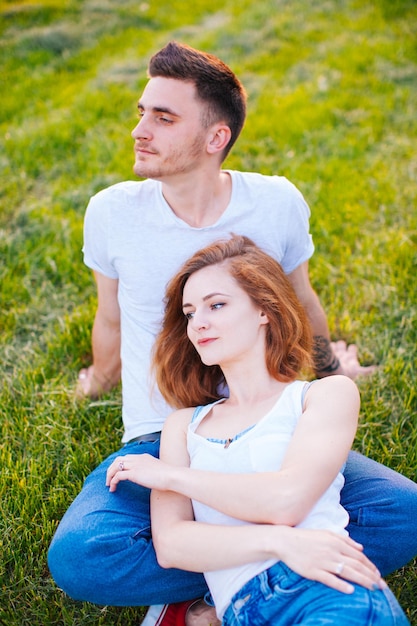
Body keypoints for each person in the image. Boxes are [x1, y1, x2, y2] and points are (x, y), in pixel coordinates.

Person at [47, 41, 417, 626]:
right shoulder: (112, 211)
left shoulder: (274, 202)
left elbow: (298, 298)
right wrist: (98, 377)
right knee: (82, 556)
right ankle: (264, 559)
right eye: (141, 112)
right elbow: (111, 317)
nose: (140, 129)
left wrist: (330, 367)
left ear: (216, 136)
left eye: (163, 117)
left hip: (272, 428)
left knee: (407, 512)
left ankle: (217, 576)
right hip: (162, 436)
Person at [106, 234, 409, 625]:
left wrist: (171, 476)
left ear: (264, 309)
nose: (198, 323)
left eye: (216, 305)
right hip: (241, 611)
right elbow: (172, 545)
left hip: (324, 593)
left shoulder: (324, 396)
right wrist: (279, 541)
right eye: (190, 312)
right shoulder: (182, 425)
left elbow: (286, 500)